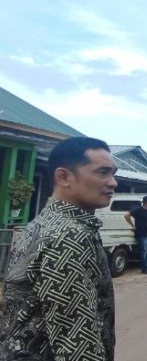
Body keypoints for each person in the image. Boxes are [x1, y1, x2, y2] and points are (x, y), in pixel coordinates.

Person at [0, 137, 118, 360]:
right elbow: (76, 341)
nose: (113, 182)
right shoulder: (68, 235)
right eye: (102, 172)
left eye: (113, 173)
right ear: (64, 177)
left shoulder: (44, 222)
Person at [124, 195, 147, 274]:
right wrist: (132, 225)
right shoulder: (138, 210)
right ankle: (144, 269)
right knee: (143, 251)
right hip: (142, 234)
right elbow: (126, 215)